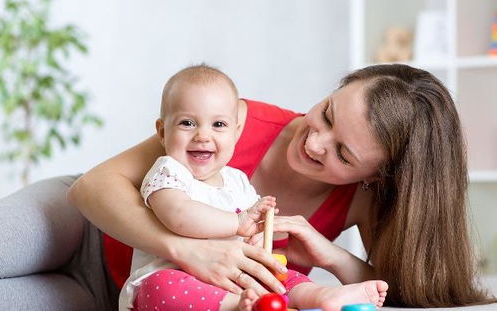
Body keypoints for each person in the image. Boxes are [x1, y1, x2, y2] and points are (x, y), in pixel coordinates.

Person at [68, 63, 497, 308]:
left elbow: (397, 294)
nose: (313, 141)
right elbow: (90, 188)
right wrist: (184, 248)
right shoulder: (229, 124)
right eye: (327, 113)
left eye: (343, 154)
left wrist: (330, 256)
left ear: (374, 178)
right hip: (90, 234)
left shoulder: (365, 199)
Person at [120, 64, 388, 311]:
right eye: (187, 123)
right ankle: (240, 305)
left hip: (234, 276)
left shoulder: (236, 180)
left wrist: (259, 235)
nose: (203, 135)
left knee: (279, 272)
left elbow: (251, 236)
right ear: (163, 132)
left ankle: (320, 296)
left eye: (219, 125)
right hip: (176, 276)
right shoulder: (168, 171)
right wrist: (239, 221)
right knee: (162, 288)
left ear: (236, 132)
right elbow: (178, 216)